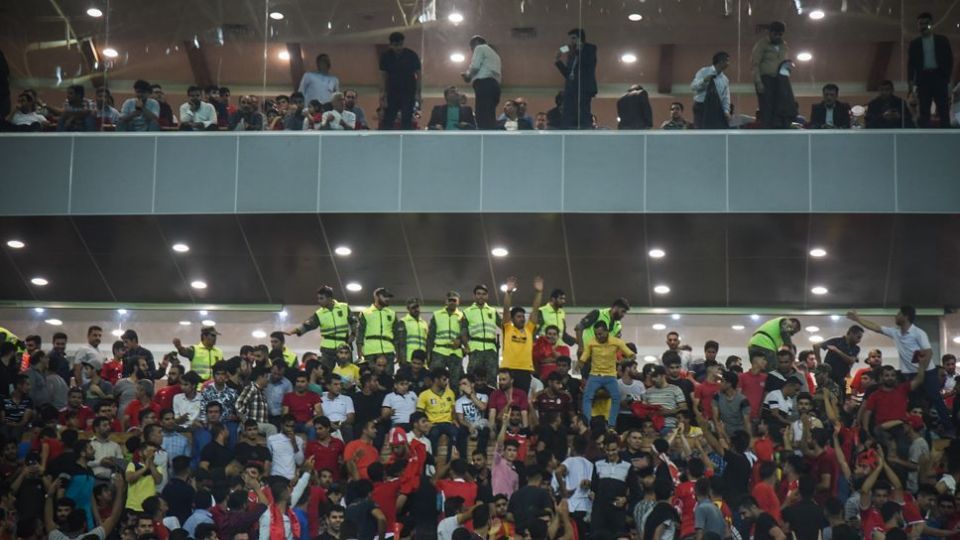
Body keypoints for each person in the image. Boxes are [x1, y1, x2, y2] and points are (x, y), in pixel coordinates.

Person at [849, 306, 953, 435]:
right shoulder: (895, 332)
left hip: (927, 372)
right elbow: (876, 327)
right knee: (913, 404)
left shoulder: (918, 333)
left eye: (898, 314)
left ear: (906, 316)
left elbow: (929, 353)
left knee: (935, 399)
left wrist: (921, 370)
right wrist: (858, 319)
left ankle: (948, 430)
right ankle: (914, 430)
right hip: (909, 374)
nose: (896, 316)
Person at [287, 285, 356, 372]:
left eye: (321, 298)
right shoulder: (319, 313)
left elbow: (354, 321)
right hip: (327, 349)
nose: (319, 301)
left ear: (329, 298)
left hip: (344, 347)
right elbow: (308, 324)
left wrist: (353, 334)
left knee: (347, 371)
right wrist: (295, 331)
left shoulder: (344, 307)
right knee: (325, 372)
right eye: (318, 298)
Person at [907, 12, 953, 128]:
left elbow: (949, 60)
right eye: (920, 24)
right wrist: (911, 85)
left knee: (943, 108)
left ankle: (946, 132)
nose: (923, 26)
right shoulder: (915, 43)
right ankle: (924, 134)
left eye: (926, 23)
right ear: (918, 26)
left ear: (932, 24)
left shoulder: (942, 40)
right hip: (923, 78)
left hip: (939, 76)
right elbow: (911, 65)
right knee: (924, 109)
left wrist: (946, 77)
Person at [555, 28, 597, 129]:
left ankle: (584, 128)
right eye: (571, 39)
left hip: (583, 87)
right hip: (571, 88)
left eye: (573, 38)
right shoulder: (572, 53)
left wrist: (578, 49)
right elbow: (568, 74)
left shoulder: (590, 48)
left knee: (583, 110)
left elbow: (589, 64)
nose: (571, 41)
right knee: (569, 111)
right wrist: (558, 61)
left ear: (579, 38)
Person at [379, 32, 421, 130]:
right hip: (392, 91)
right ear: (391, 45)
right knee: (388, 119)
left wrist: (418, 92)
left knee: (407, 118)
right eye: (396, 45)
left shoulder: (411, 55)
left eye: (400, 44)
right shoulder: (385, 56)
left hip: (408, 90)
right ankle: (385, 138)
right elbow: (382, 75)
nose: (398, 47)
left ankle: (407, 138)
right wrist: (382, 93)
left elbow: (419, 74)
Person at [751, 22, 790, 129]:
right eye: (775, 34)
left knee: (780, 108)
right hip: (766, 80)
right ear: (770, 32)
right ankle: (767, 128)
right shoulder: (761, 44)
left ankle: (779, 128)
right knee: (767, 108)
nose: (777, 37)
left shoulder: (784, 45)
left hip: (780, 80)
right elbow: (755, 64)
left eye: (780, 34)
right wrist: (758, 82)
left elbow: (786, 61)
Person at [462, 35, 502, 129]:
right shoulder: (496, 55)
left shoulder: (480, 48)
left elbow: (475, 66)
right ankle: (490, 134)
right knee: (489, 114)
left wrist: (468, 75)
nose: (472, 50)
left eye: (471, 47)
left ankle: (483, 136)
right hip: (495, 86)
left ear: (475, 43)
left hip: (484, 84)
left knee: (482, 114)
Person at [691, 51, 732, 128]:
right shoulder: (704, 71)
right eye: (727, 61)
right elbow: (693, 87)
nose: (728, 63)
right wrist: (704, 81)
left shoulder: (725, 80)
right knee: (701, 131)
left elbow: (726, 97)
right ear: (721, 61)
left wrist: (726, 111)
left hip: (716, 109)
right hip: (701, 107)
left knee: (714, 132)